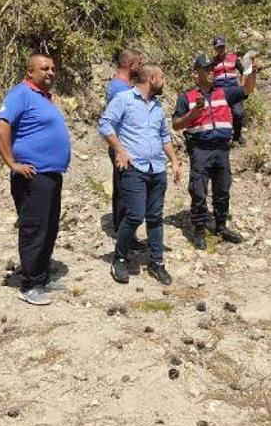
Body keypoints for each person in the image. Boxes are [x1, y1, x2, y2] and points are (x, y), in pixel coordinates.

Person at [0, 52, 72, 306]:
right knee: (34, 228)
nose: (50, 72)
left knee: (49, 228)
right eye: (44, 68)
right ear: (30, 72)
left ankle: (42, 275)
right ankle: (29, 284)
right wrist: (12, 163)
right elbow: (0, 125)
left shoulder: (43, 98)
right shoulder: (21, 94)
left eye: (52, 68)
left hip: (49, 175)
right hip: (32, 176)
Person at [98, 63, 181, 285]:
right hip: (134, 169)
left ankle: (156, 263)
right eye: (162, 77)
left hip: (157, 169)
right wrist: (120, 150)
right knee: (135, 214)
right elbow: (105, 124)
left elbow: (164, 136)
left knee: (155, 217)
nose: (165, 81)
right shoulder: (124, 99)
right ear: (152, 79)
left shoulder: (157, 106)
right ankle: (120, 259)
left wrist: (174, 161)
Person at [172, 53, 259, 249]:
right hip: (200, 149)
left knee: (223, 188)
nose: (212, 71)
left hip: (222, 149)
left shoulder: (223, 93)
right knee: (198, 190)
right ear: (197, 72)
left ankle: (220, 226)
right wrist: (193, 114)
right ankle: (199, 230)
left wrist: (250, 71)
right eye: (207, 69)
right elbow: (176, 125)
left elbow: (247, 88)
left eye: (213, 68)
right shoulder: (186, 98)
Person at [104, 49, 145, 247]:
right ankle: (124, 234)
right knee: (125, 189)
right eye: (139, 63)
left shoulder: (122, 86)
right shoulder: (120, 89)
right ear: (131, 65)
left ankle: (124, 232)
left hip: (125, 146)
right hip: (123, 147)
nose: (141, 67)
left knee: (124, 188)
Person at [211, 35, 247, 145]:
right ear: (215, 48)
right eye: (218, 47)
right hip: (219, 93)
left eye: (222, 46)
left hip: (234, 90)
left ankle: (237, 135)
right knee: (219, 117)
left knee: (238, 113)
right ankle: (222, 138)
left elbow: (243, 71)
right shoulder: (212, 62)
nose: (220, 49)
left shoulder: (233, 58)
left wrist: (242, 85)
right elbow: (206, 76)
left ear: (225, 46)